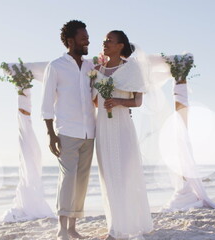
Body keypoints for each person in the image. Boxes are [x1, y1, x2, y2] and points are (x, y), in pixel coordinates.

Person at [92, 30, 153, 240]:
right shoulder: (96, 70)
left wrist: (118, 101)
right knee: (108, 175)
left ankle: (132, 223)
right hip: (103, 125)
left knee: (126, 173)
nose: (105, 43)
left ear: (120, 45)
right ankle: (114, 227)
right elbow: (94, 100)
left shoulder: (132, 68)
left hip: (122, 125)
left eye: (110, 40)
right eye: (104, 40)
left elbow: (137, 102)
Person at [41, 20, 95, 240]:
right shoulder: (55, 66)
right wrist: (51, 134)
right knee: (67, 180)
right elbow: (46, 103)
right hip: (67, 132)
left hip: (89, 132)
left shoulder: (91, 66)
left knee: (81, 181)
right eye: (83, 38)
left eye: (87, 38)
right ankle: (62, 230)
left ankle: (73, 228)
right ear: (71, 41)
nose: (87, 41)